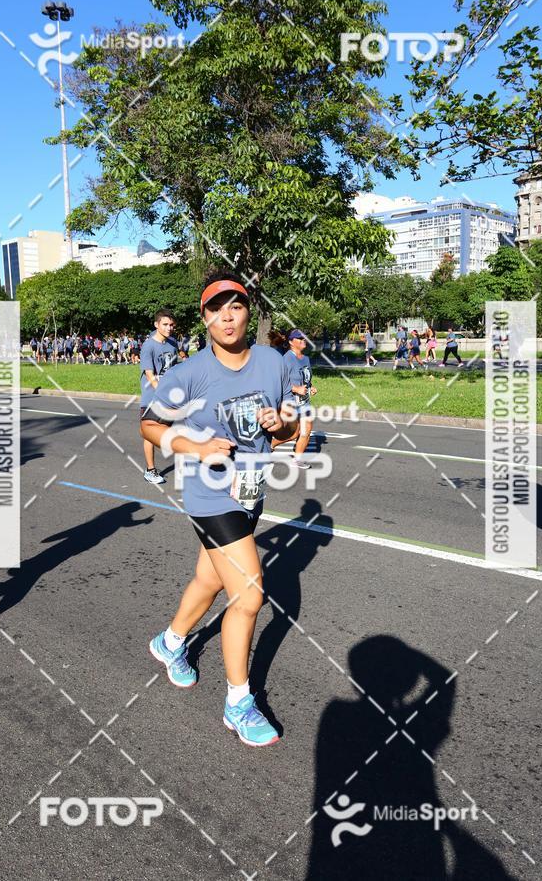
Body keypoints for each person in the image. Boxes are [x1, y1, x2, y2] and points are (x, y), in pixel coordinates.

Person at [140, 269, 297, 747]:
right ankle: (238, 702)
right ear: (204, 318)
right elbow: (149, 425)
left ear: (249, 309)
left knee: (211, 578)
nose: (227, 317)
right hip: (208, 495)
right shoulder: (188, 373)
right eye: (215, 309)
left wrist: (282, 423)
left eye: (236, 306)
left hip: (250, 490)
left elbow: (290, 426)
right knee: (248, 595)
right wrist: (193, 447)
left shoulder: (274, 361)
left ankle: (169, 643)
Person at [140, 310, 179, 484]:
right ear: (156, 325)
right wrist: (163, 395)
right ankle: (150, 470)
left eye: (171, 325)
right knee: (149, 434)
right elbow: (150, 375)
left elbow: (176, 369)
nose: (169, 328)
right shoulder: (149, 346)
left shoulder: (172, 343)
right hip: (152, 398)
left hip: (171, 396)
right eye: (165, 324)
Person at [277, 329, 317, 469]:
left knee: (306, 430)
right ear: (290, 342)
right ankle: (268, 445)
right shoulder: (286, 359)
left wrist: (310, 387)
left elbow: (306, 378)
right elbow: (280, 381)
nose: (303, 340)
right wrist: (296, 389)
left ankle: (297, 459)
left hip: (304, 402)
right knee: (293, 433)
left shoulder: (305, 359)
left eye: (304, 338)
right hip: (290, 401)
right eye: (299, 338)